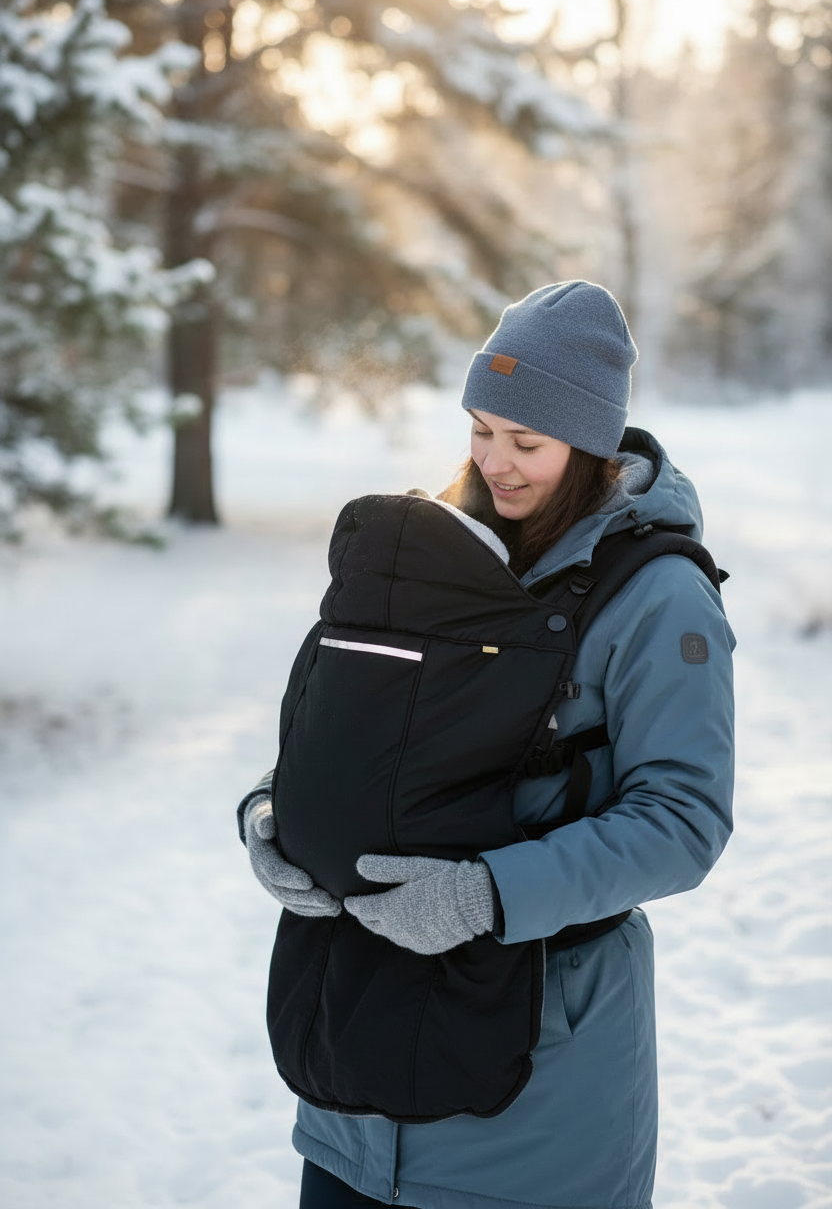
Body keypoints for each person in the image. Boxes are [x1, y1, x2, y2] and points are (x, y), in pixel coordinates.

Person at [238, 281, 735, 1209]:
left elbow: (684, 820)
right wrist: (274, 816)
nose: (494, 462)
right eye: (480, 428)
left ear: (588, 444)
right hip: (355, 1074)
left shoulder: (658, 597)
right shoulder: (432, 550)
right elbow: (351, 734)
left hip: (537, 1092)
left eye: (526, 442)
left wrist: (486, 896)